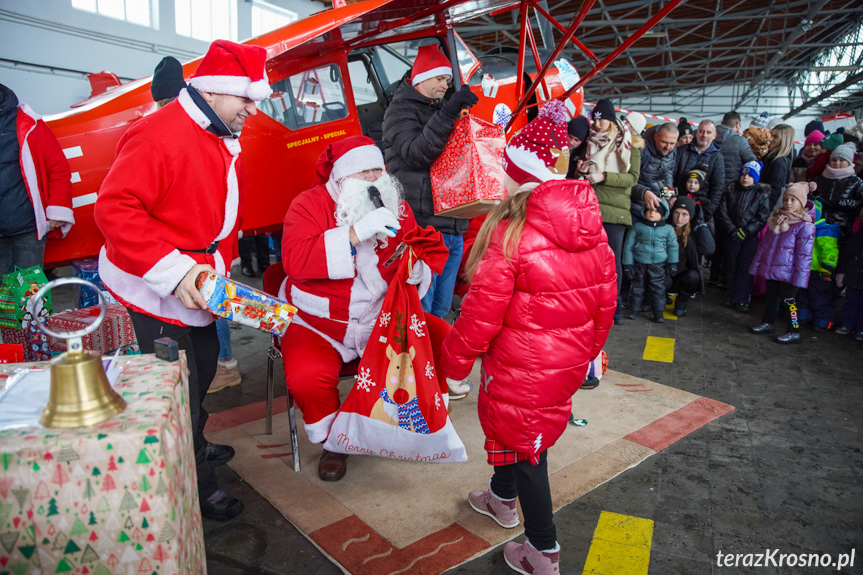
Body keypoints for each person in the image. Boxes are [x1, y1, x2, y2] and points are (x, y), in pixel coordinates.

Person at [95, 39, 272, 521]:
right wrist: (175, 274)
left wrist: (218, 274)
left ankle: (194, 440)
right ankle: (195, 482)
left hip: (198, 282)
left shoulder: (214, 131)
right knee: (182, 387)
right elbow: (115, 210)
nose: (253, 111)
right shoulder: (158, 133)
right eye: (246, 99)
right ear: (215, 91)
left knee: (207, 365)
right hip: (156, 285)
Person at [442, 100, 616, 575]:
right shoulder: (592, 228)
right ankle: (501, 500)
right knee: (513, 434)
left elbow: (480, 315)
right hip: (560, 365)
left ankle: (543, 550)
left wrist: (452, 366)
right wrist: (589, 353)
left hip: (523, 365)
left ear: (517, 178)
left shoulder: (512, 233)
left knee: (528, 452)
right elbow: (605, 304)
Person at [278, 135, 468, 482]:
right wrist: (353, 234)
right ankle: (335, 442)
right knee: (307, 377)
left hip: (383, 319)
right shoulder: (308, 204)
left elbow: (416, 251)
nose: (372, 179)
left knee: (443, 337)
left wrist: (416, 269)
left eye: (377, 170)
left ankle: (417, 412)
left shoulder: (397, 206)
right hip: (320, 321)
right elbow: (294, 261)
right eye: (362, 172)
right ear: (340, 177)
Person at [150, 55, 243, 396]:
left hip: (202, 257)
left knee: (205, 343)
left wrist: (225, 247)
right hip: (172, 263)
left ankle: (225, 366)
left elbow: (232, 196)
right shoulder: (158, 136)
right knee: (175, 361)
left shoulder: (215, 137)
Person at [381, 44, 478, 319]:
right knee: (421, 309)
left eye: (448, 80)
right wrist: (448, 114)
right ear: (422, 77)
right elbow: (417, 153)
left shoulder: (438, 110)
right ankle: (418, 361)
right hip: (426, 228)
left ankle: (433, 360)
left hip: (452, 225)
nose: (445, 85)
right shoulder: (399, 110)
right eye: (440, 79)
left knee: (440, 310)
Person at [577, 98, 642, 324]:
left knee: (612, 263)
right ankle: (589, 307)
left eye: (601, 119)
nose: (596, 124)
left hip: (615, 212)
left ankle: (613, 309)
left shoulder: (628, 144)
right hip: (590, 208)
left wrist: (603, 176)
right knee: (587, 263)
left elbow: (632, 178)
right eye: (594, 119)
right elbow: (582, 176)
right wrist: (581, 171)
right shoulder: (589, 142)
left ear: (611, 120)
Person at [0, 83, 74, 277]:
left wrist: (58, 210)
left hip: (26, 227)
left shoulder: (28, 123)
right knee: (3, 297)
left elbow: (58, 168)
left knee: (30, 293)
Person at [749, 183, 816, 344]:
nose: (789, 203)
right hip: (772, 271)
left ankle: (794, 331)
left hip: (790, 274)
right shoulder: (776, 221)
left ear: (801, 202)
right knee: (770, 297)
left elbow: (804, 256)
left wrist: (799, 279)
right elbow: (765, 246)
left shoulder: (805, 226)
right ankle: (768, 322)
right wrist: (757, 266)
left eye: (793, 199)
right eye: (786, 199)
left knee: (790, 303)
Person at [715, 161, 772, 312]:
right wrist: (732, 230)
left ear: (756, 178)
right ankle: (730, 295)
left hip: (749, 237)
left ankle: (742, 298)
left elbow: (762, 217)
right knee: (730, 266)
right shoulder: (731, 190)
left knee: (745, 269)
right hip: (732, 235)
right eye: (743, 174)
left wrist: (746, 231)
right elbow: (722, 212)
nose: (745, 178)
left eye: (750, 175)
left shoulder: (761, 195)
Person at [622, 199, 678, 323]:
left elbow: (673, 247)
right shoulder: (638, 227)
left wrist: (673, 263)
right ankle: (634, 310)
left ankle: (658, 313)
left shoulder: (667, 229)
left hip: (658, 264)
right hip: (639, 263)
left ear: (663, 214)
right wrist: (628, 264)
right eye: (650, 210)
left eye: (656, 211)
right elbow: (628, 246)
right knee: (637, 288)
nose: (652, 213)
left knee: (658, 289)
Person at [666, 196, 715, 317]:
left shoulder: (694, 232)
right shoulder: (665, 227)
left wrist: (700, 222)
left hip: (682, 275)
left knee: (694, 276)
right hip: (664, 274)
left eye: (684, 215)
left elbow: (709, 249)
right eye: (677, 213)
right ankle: (661, 297)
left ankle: (682, 301)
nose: (679, 218)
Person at [797, 199, 839, 331]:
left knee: (820, 297)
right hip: (804, 269)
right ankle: (804, 316)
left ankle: (823, 321)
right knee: (803, 295)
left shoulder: (824, 230)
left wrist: (827, 268)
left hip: (819, 272)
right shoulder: (802, 228)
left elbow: (830, 251)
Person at [813, 143, 863, 250]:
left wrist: (839, 203)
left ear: (849, 162)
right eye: (834, 160)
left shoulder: (856, 182)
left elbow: (859, 203)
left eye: (842, 160)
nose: (837, 163)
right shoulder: (819, 179)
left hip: (842, 228)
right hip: (819, 225)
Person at [673, 120, 725, 221]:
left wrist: (708, 211)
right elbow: (669, 176)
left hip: (701, 209)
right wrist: (670, 198)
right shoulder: (681, 151)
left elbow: (717, 188)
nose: (704, 135)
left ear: (714, 135)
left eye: (708, 132)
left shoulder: (717, 158)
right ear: (696, 133)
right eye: (701, 131)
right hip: (676, 207)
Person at [631, 122, 678, 217]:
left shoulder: (672, 151)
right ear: (655, 136)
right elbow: (629, 178)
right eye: (664, 142)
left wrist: (669, 193)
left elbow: (669, 171)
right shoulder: (640, 149)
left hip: (658, 205)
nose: (668, 147)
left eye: (672, 143)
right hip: (637, 205)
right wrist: (643, 192)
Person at [835, 206, 863, 341]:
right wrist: (841, 272)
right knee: (851, 302)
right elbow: (846, 256)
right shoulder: (856, 237)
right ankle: (847, 325)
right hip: (853, 276)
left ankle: (861, 329)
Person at [714, 111, 756, 185]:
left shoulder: (710, 138)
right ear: (737, 124)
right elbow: (752, 163)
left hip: (712, 184)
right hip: (733, 186)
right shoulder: (741, 141)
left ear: (721, 123)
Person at [761, 124, 795, 206]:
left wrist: (765, 210)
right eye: (771, 135)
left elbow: (775, 190)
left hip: (768, 205)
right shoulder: (772, 157)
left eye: (775, 137)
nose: (771, 139)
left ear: (784, 139)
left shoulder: (779, 162)